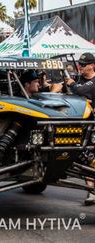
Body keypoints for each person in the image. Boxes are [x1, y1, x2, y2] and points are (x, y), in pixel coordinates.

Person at [65, 52, 95, 206]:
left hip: (93, 124)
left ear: (92, 65)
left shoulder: (89, 81)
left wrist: (72, 85)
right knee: (87, 158)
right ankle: (91, 192)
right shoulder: (79, 80)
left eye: (83, 65)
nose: (80, 67)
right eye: (80, 64)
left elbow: (82, 91)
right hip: (83, 125)